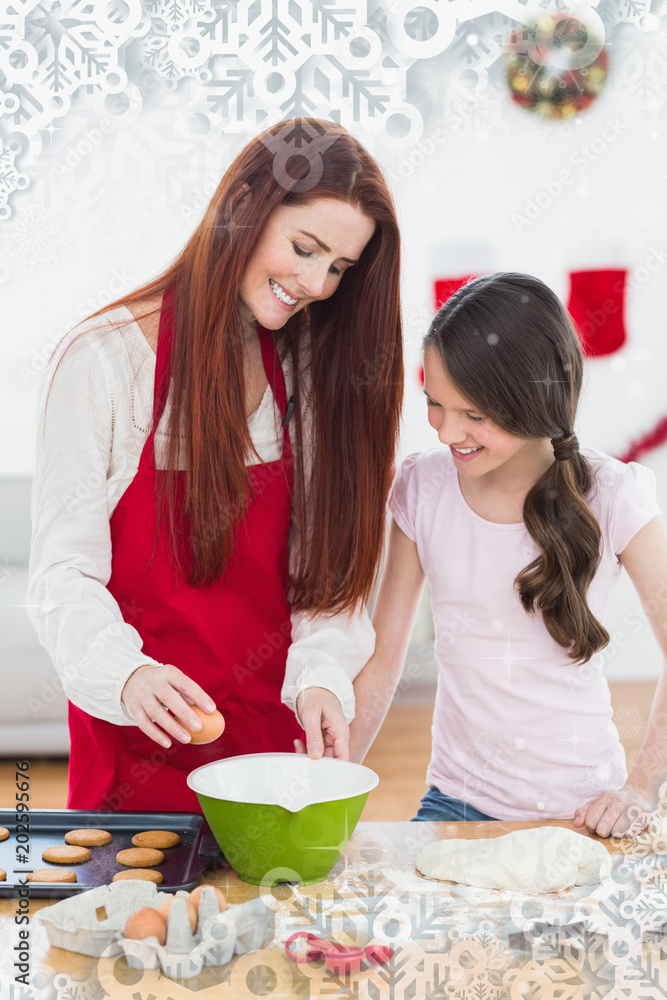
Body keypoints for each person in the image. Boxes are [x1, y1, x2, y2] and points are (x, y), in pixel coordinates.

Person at [28, 118, 402, 812]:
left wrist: (321, 678)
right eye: (305, 248)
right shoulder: (105, 362)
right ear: (242, 209)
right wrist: (129, 674)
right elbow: (62, 577)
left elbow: (321, 574)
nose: (317, 284)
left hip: (270, 770)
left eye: (339, 268)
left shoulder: (306, 372)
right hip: (136, 762)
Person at [349, 271, 667, 838]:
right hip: (455, 802)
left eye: (474, 415)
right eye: (435, 404)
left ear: (533, 403)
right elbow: (383, 653)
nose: (448, 433)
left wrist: (640, 785)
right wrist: (331, 782)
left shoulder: (615, 495)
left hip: (584, 808)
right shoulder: (422, 486)